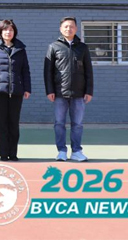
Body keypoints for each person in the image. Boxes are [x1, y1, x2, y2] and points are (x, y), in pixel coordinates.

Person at [44, 17, 94, 162]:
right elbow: (48, 71)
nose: (68, 29)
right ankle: (61, 151)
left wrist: (89, 91)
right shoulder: (54, 47)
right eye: (65, 26)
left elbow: (89, 71)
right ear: (61, 29)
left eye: (71, 26)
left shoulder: (82, 48)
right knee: (59, 123)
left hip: (79, 93)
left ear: (76, 29)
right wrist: (50, 90)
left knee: (77, 124)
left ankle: (76, 151)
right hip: (59, 92)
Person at [0, 19, 31, 162]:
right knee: (2, 123)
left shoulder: (20, 49)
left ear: (14, 32)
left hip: (16, 91)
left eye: (11, 30)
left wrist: (27, 88)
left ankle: (13, 153)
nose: (8, 32)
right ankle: (3, 154)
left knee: (14, 124)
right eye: (5, 30)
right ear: (0, 32)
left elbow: (25, 70)